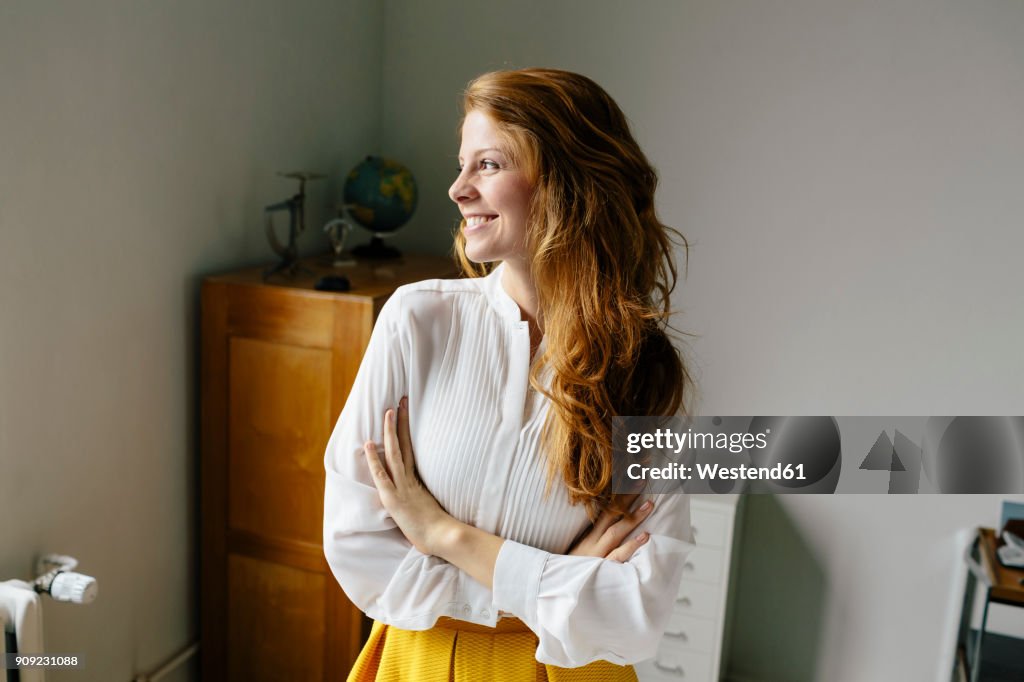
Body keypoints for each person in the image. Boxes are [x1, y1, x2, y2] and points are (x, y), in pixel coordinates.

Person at [324, 67, 695, 681]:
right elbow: (355, 544)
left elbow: (637, 613)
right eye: (462, 164)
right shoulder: (416, 321)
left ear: (568, 187)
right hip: (422, 664)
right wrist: (556, 582)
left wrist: (445, 536)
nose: (457, 188)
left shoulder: (645, 369)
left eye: (489, 165)